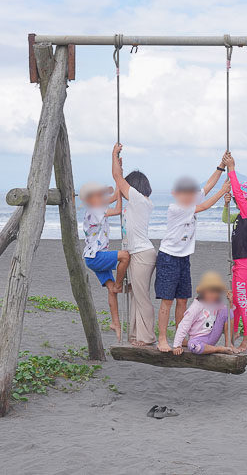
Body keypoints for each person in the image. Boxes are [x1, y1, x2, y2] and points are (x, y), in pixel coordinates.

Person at [154, 158, 230, 352]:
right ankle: (162, 338)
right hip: (168, 257)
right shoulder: (176, 208)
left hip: (184, 258)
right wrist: (223, 191)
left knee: (182, 300)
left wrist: (221, 166)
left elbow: (208, 186)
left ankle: (181, 337)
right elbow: (203, 207)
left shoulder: (191, 200)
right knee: (167, 301)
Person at [112, 143, 157, 347]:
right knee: (134, 294)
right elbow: (119, 182)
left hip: (141, 253)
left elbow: (118, 181)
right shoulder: (138, 202)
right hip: (136, 253)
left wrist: (114, 156)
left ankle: (146, 337)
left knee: (141, 296)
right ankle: (135, 335)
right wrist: (120, 169)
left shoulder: (139, 200)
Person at [221, 152, 247, 352]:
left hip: (245, 263)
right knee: (236, 300)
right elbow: (225, 220)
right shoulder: (240, 215)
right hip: (240, 263)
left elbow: (237, 191)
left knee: (242, 301)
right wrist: (227, 205)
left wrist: (231, 169)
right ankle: (236, 330)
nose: (239, 201)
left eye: (241, 199)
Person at [79, 182, 130, 342]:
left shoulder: (95, 207)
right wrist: (118, 191)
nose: (102, 198)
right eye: (98, 196)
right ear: (90, 200)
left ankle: (116, 324)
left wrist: (115, 185)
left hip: (92, 257)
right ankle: (119, 285)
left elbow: (111, 197)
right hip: (97, 256)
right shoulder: (95, 211)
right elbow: (116, 209)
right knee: (125, 256)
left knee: (110, 290)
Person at [172, 271, 235, 355]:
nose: (214, 295)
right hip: (199, 339)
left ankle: (228, 344)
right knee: (193, 346)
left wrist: (230, 302)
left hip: (212, 335)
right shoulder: (195, 307)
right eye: (211, 292)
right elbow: (183, 326)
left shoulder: (217, 303)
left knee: (227, 311)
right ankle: (218, 349)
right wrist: (177, 345)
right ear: (203, 292)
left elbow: (227, 315)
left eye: (217, 292)